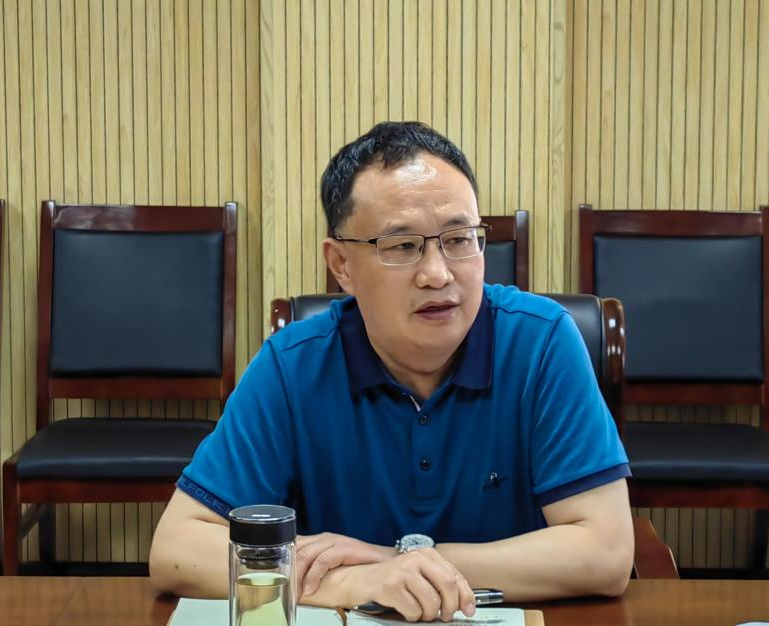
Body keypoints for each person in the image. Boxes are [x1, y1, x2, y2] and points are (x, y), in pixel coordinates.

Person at [149, 121, 633, 622]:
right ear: (341, 264)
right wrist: (353, 581)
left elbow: (606, 553)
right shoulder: (294, 365)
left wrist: (397, 562)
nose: (438, 274)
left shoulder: (541, 342)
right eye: (402, 246)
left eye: (459, 239)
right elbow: (177, 549)